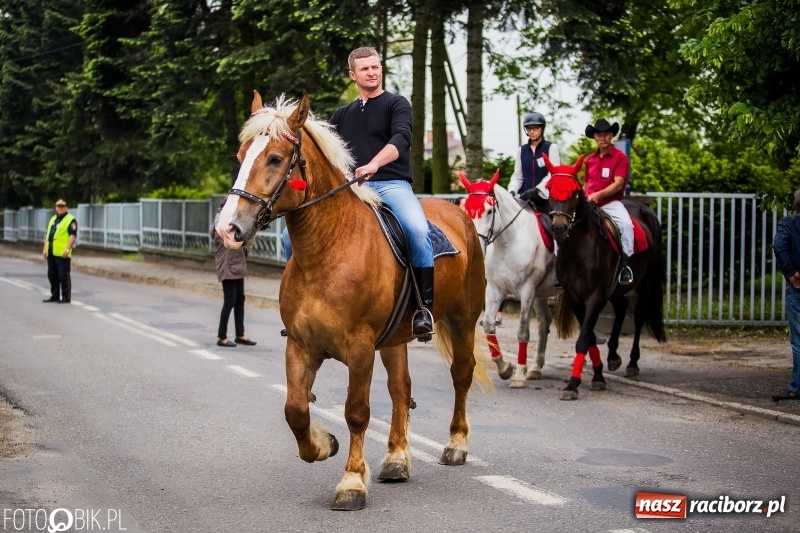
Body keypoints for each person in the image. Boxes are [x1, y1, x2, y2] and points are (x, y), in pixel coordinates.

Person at [329, 46, 435, 341]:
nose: (372, 72)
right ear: (353, 75)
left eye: (375, 67)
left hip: (391, 184)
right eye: (365, 69)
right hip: (353, 188)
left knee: (417, 230)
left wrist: (374, 164)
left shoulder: (396, 104)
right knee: (290, 236)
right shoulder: (342, 115)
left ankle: (424, 309)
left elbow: (402, 137)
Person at [584, 118, 633, 285]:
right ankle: (560, 268)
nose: (602, 138)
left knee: (626, 225)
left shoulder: (620, 157)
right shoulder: (590, 159)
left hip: (611, 203)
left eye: (606, 134)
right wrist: (584, 197)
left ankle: (625, 266)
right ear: (594, 137)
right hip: (590, 204)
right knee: (566, 225)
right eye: (599, 134)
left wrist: (598, 195)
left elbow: (618, 184)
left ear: (611, 135)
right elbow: (586, 184)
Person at [213, 205, 256, 348]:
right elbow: (235, 237)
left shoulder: (236, 220)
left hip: (238, 265)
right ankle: (222, 337)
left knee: (239, 300)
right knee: (229, 300)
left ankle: (240, 334)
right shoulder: (221, 221)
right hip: (227, 266)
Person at [771, 189, 800, 401]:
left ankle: (797, 387)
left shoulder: (788, 223)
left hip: (798, 286)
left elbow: (779, 244)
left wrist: (791, 273)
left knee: (798, 340)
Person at [508, 112, 560, 210]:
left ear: (542, 129)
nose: (532, 132)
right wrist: (512, 190)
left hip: (545, 199)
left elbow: (553, 174)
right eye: (529, 129)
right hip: (525, 199)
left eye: (535, 128)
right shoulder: (521, 150)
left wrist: (538, 189)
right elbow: (517, 176)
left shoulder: (551, 148)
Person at [42, 199, 77, 303]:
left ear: (66, 208)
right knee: (52, 275)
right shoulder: (53, 219)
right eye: (58, 206)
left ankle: (66, 296)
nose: (60, 208)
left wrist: (67, 249)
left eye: (62, 206)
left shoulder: (70, 220)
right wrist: (44, 249)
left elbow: (72, 236)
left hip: (62, 254)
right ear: (55, 208)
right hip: (51, 252)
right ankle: (55, 295)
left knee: (63, 275)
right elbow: (48, 235)